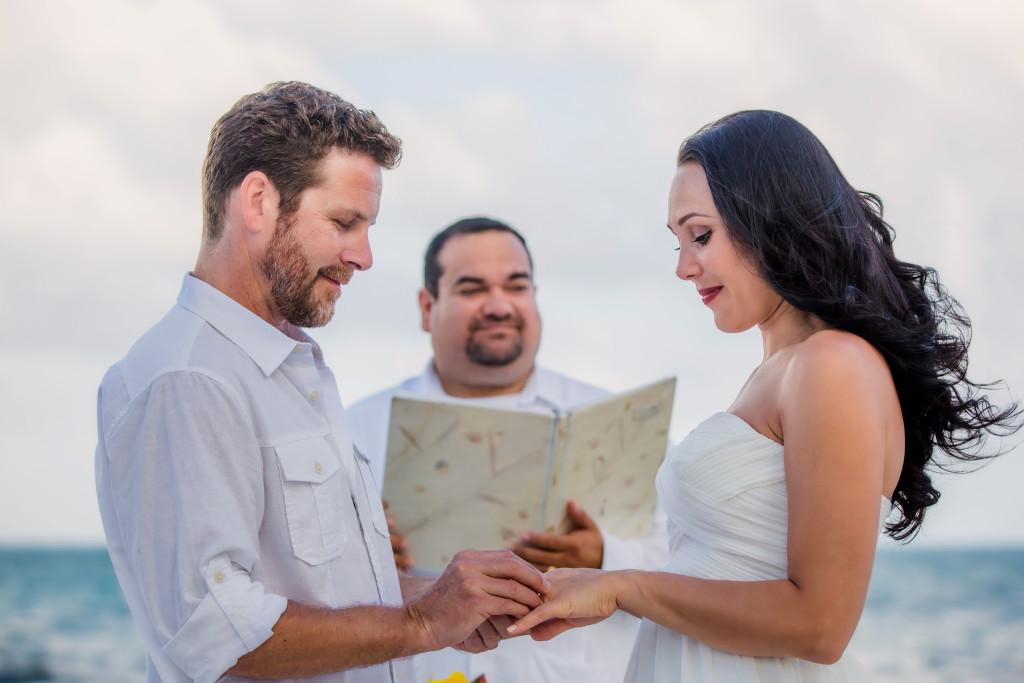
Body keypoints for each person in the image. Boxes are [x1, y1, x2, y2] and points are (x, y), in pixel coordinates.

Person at [507, 110, 1021, 680]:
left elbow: (821, 626)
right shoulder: (779, 371)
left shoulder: (832, 365)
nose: (683, 267)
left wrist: (619, 587)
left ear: (770, 219)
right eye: (677, 242)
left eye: (701, 235)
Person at [94, 82, 550, 683]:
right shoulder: (187, 379)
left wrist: (445, 601)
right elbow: (216, 633)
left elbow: (328, 588)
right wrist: (422, 625)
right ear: (257, 202)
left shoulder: (291, 370)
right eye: (343, 222)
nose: (363, 256)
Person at [346, 217, 671, 683]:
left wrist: (604, 555)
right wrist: (363, 563)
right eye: (472, 288)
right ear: (426, 306)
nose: (499, 305)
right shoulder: (352, 430)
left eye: (516, 286)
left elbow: (691, 565)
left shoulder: (620, 424)